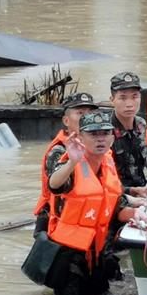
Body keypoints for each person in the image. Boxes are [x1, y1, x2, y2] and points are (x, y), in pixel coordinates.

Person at [45, 109, 143, 295]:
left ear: (113, 137)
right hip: (70, 258)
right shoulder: (70, 163)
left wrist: (139, 215)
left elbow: (117, 207)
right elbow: (54, 185)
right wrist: (72, 162)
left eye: (105, 133)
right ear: (80, 136)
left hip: (98, 253)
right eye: (93, 134)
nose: (100, 139)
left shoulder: (108, 163)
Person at [33, 92, 97, 237]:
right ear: (66, 120)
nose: (87, 117)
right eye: (80, 113)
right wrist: (72, 162)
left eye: (90, 113)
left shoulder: (97, 147)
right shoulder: (59, 151)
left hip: (84, 219)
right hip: (56, 225)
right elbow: (58, 187)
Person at [108, 72, 147, 191]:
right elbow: (102, 176)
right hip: (117, 195)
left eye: (134, 97)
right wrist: (131, 192)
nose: (129, 104)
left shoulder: (141, 124)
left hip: (142, 188)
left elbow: (137, 158)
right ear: (112, 100)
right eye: (122, 98)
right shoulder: (105, 131)